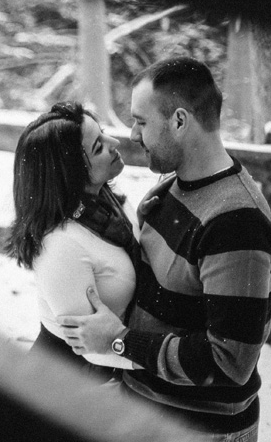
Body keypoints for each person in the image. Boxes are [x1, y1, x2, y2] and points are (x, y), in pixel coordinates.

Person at [58, 56, 271, 441]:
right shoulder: (166, 192)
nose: (132, 135)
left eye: (141, 122)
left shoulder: (237, 222)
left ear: (179, 121)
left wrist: (120, 341)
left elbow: (229, 363)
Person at [5, 101, 141, 384]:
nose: (115, 143)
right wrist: (175, 365)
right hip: (59, 390)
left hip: (110, 378)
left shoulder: (108, 203)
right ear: (72, 174)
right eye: (98, 147)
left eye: (103, 133)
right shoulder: (60, 245)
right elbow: (93, 348)